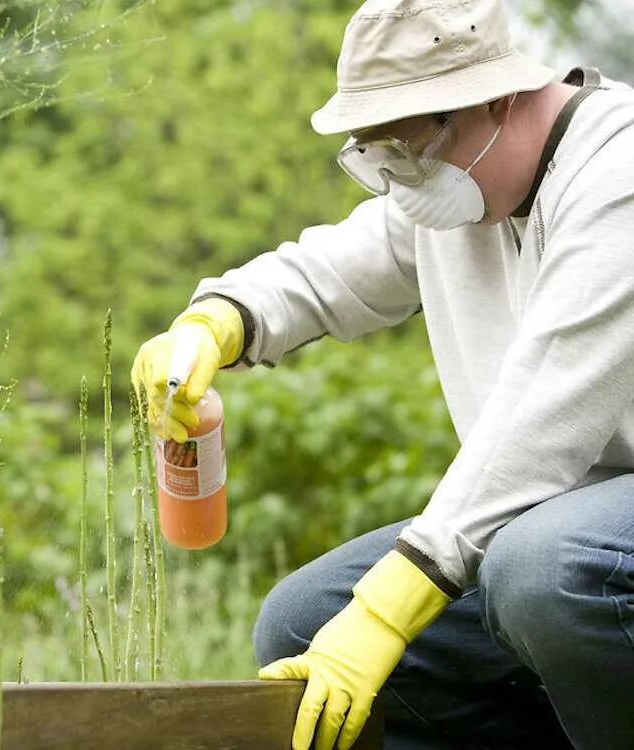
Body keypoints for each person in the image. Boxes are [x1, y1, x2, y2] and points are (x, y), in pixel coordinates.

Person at [130, 0, 634, 748]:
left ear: (494, 96)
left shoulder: (616, 174)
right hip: (564, 521)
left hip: (585, 536)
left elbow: (542, 420)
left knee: (543, 569)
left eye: (408, 146)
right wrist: (217, 321)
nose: (400, 178)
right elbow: (336, 266)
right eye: (376, 155)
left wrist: (387, 609)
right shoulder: (464, 190)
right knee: (303, 622)